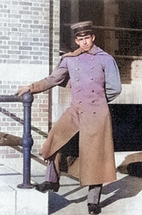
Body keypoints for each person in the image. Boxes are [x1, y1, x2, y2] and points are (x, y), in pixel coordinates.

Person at [17, 20, 122, 214]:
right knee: (56, 137)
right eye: (80, 39)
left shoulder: (105, 58)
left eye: (87, 38)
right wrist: (30, 88)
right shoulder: (69, 59)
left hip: (98, 113)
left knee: (94, 156)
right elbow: (52, 79)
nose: (84, 42)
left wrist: (97, 100)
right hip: (75, 109)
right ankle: (51, 181)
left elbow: (115, 88)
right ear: (76, 40)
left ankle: (93, 202)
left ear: (93, 38)